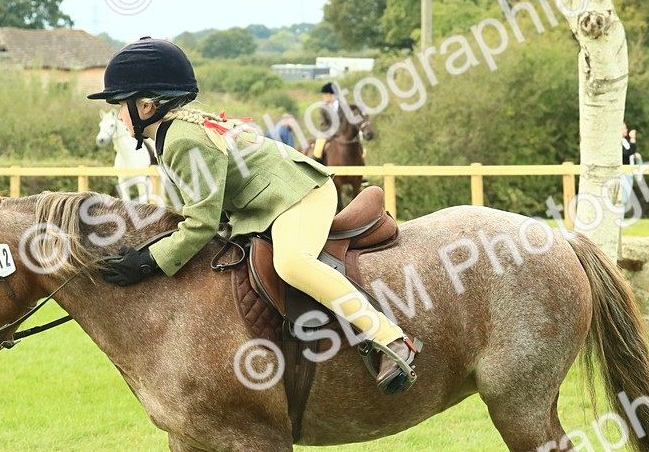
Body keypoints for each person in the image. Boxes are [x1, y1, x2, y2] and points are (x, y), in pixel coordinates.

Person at [86, 37, 420, 394]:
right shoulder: (172, 133)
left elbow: (201, 223)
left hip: (299, 194)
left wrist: (149, 260)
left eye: (121, 105)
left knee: (292, 264)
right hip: (267, 203)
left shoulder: (183, 139)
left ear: (147, 106)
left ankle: (391, 339)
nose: (119, 116)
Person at [312, 82, 342, 163]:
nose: (323, 96)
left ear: (332, 95)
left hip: (343, 134)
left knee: (359, 148)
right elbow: (323, 124)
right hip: (327, 134)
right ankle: (316, 165)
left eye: (325, 94)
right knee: (318, 150)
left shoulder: (343, 107)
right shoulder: (323, 108)